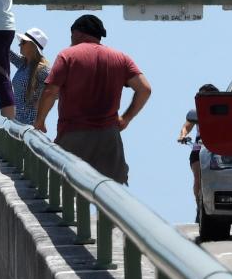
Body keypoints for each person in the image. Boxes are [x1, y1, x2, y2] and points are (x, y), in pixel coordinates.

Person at [34, 15, 152, 185]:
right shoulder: (121, 58)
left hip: (73, 135)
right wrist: (125, 119)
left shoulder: (67, 55)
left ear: (78, 33)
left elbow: (50, 91)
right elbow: (144, 89)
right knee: (110, 198)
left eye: (71, 35)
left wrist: (40, 121)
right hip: (109, 139)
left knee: (66, 191)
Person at [178, 84, 219, 208]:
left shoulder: (221, 111)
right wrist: (182, 136)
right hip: (199, 148)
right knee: (198, 176)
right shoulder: (197, 113)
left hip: (216, 148)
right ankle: (199, 205)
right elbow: (186, 126)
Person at [9, 27, 50, 125]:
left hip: (30, 127)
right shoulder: (23, 64)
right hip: (17, 125)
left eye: (23, 42)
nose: (19, 44)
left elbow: (58, 90)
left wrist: (41, 103)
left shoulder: (42, 70)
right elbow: (4, 48)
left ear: (32, 46)